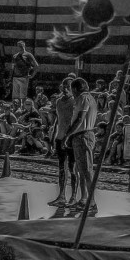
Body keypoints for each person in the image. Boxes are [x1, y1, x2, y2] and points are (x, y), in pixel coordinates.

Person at [64, 78, 98, 214]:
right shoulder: (90, 98)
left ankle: (91, 202)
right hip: (83, 135)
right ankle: (84, 199)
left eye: (72, 90)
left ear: (75, 89)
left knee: (87, 170)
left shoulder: (83, 98)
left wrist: (68, 135)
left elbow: (80, 118)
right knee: (81, 169)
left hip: (83, 136)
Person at [48, 78, 78, 207]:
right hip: (60, 137)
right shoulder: (59, 101)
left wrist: (70, 136)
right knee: (62, 168)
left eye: (68, 86)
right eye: (64, 86)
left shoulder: (75, 101)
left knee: (72, 168)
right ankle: (61, 196)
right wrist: (53, 136)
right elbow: (57, 120)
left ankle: (73, 196)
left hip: (71, 138)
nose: (65, 88)